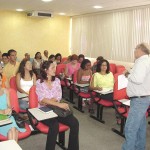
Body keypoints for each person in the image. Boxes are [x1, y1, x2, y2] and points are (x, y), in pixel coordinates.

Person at [36, 61, 79, 150]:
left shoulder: (57, 80)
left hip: (56, 109)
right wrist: (53, 102)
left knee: (75, 123)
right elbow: (42, 100)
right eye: (52, 67)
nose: (55, 69)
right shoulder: (39, 82)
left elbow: (58, 96)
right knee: (54, 126)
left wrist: (49, 101)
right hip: (45, 110)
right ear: (45, 70)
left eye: (55, 67)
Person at [122, 43, 150, 150]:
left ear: (140, 50)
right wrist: (131, 71)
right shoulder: (146, 60)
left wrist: (127, 75)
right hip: (144, 98)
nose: (134, 51)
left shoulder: (142, 62)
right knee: (140, 127)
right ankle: (139, 147)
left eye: (135, 49)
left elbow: (138, 79)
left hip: (139, 100)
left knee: (130, 128)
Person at [0, 73, 26, 142]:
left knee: (13, 130)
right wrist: (2, 111)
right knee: (13, 131)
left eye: (0, 80)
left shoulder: (5, 91)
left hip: (7, 117)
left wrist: (9, 109)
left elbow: (9, 105)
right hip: (1, 120)